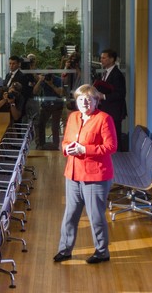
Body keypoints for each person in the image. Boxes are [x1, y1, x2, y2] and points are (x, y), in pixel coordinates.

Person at [54, 84, 117, 265]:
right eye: (81, 99)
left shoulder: (104, 119)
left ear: (96, 101)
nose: (85, 102)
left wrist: (84, 149)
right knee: (70, 215)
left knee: (95, 216)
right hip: (73, 173)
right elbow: (65, 140)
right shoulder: (73, 117)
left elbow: (111, 147)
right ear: (77, 101)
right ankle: (65, 250)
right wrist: (68, 148)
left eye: (89, 99)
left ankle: (102, 251)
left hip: (95, 176)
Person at [95, 49, 127, 143]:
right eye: (101, 58)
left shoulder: (117, 75)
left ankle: (117, 156)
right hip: (107, 109)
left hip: (114, 111)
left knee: (114, 136)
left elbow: (120, 94)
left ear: (112, 59)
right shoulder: (106, 72)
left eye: (104, 58)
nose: (101, 60)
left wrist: (103, 96)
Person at [34, 69, 65, 150]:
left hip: (57, 105)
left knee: (55, 126)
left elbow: (60, 92)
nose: (49, 76)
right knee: (40, 124)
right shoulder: (43, 80)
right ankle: (41, 144)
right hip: (46, 105)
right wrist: (40, 80)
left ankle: (55, 145)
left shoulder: (58, 80)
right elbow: (35, 91)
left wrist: (51, 84)